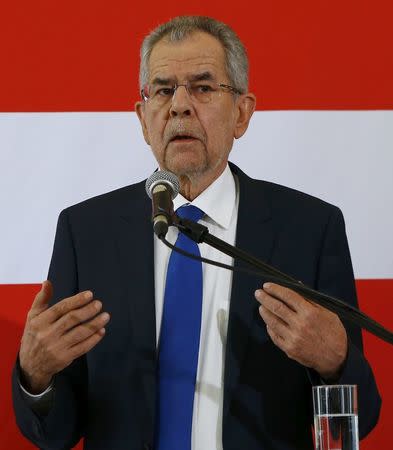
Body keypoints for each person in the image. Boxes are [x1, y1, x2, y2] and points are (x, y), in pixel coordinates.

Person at [12, 16, 380, 450]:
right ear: (143, 118)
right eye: (163, 89)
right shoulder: (85, 231)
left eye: (203, 88)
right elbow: (55, 435)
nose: (180, 105)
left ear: (242, 113)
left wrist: (336, 363)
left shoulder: (310, 230)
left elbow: (355, 423)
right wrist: (36, 377)